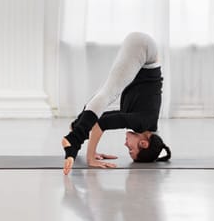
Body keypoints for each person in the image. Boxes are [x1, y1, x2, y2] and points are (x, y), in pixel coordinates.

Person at [61, 32, 172, 175]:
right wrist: (90, 157)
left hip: (142, 51)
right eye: (130, 149)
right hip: (144, 48)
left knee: (103, 94)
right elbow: (102, 124)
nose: (125, 144)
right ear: (144, 143)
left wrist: (78, 128)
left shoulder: (143, 124)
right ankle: (74, 140)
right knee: (107, 94)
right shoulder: (141, 123)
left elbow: (99, 118)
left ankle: (74, 130)